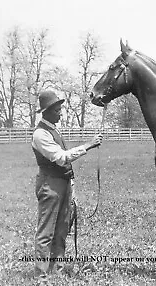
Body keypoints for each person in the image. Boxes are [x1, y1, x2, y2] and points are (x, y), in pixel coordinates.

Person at [31, 90, 103, 284]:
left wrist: (71, 188)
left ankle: (58, 268)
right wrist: (88, 145)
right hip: (50, 185)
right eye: (56, 110)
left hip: (63, 184)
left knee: (62, 228)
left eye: (60, 109)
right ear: (45, 112)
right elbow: (61, 157)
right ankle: (42, 274)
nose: (60, 113)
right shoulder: (40, 134)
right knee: (46, 231)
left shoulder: (54, 129)